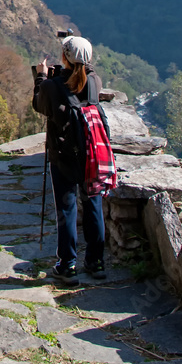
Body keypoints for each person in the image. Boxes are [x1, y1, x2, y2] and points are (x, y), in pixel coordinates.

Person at [33, 35, 108, 286]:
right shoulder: (95, 81)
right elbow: (80, 78)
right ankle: (96, 262)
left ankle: (67, 265)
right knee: (93, 205)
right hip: (92, 155)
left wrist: (42, 77)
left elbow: (40, 105)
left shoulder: (52, 87)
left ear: (64, 57)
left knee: (67, 209)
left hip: (63, 155)